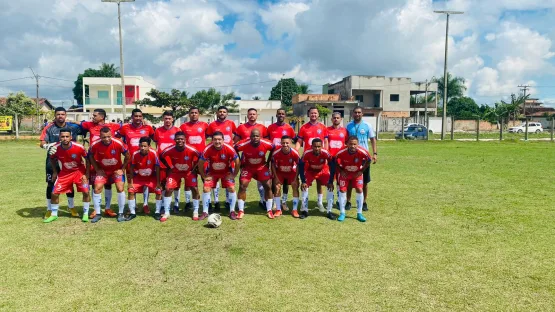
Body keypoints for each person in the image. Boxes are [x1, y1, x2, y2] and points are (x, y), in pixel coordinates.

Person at [39, 107, 81, 219]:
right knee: (51, 183)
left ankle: (71, 207)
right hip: (52, 160)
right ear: (55, 115)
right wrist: (47, 146)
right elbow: (42, 142)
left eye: (62, 114)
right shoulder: (49, 127)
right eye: (58, 114)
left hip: (69, 161)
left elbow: (86, 125)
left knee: (69, 183)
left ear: (66, 115)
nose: (60, 116)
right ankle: (49, 209)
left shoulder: (73, 127)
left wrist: (73, 121)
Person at [45, 128, 91, 223]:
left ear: (71, 137)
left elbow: (88, 159)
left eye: (67, 136)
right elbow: (52, 159)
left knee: (86, 192)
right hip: (65, 173)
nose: (65, 138)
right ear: (59, 138)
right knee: (54, 193)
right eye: (62, 137)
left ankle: (85, 213)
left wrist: (86, 174)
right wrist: (55, 172)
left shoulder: (79, 147)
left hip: (79, 172)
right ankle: (54, 214)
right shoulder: (56, 148)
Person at [81, 109, 122, 215]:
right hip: (94, 160)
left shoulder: (112, 126)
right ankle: (96, 208)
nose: (92, 117)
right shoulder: (89, 125)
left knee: (108, 184)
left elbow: (124, 128)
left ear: (102, 117)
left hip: (108, 159)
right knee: (95, 184)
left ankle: (107, 208)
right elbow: (78, 123)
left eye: (95, 115)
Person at [88, 127, 130, 223]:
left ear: (111, 135)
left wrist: (122, 169)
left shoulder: (118, 143)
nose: (106, 139)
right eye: (104, 137)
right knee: (97, 188)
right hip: (103, 171)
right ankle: (98, 214)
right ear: (100, 136)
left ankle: (120, 213)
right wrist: (97, 169)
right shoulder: (95, 144)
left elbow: (128, 155)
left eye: (108, 137)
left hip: (116, 171)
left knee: (120, 188)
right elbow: (90, 155)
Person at [159, 132, 201, 222]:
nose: (180, 141)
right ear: (174, 140)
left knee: (195, 189)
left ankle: (196, 211)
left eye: (182, 139)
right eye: (178, 139)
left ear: (185, 140)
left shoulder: (191, 149)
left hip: (188, 172)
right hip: (175, 172)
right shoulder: (169, 149)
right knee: (168, 189)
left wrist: (195, 167)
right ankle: (166, 212)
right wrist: (169, 167)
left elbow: (200, 157)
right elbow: (161, 156)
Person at [119, 109, 155, 214]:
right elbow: (117, 137)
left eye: (140, 116)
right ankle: (133, 205)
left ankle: (145, 204)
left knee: (145, 182)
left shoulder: (148, 128)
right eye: (136, 116)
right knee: (132, 182)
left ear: (142, 117)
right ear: (132, 117)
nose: (138, 118)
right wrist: (124, 147)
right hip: (131, 160)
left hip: (145, 160)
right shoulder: (125, 128)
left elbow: (154, 138)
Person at [198, 131, 240, 220]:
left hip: (226, 172)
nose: (217, 142)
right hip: (212, 172)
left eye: (219, 139)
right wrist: (204, 176)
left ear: (223, 140)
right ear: (212, 140)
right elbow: (200, 163)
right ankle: (205, 211)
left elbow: (237, 162)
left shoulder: (229, 148)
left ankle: (232, 211)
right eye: (215, 140)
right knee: (206, 188)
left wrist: (234, 174)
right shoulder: (207, 149)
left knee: (232, 188)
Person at [234, 108, 269, 210]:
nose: (252, 116)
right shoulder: (241, 127)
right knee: (244, 183)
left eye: (254, 114)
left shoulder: (262, 128)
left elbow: (267, 143)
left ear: (257, 116)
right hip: (246, 160)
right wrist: (239, 160)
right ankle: (242, 203)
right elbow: (235, 144)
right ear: (247, 115)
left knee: (261, 182)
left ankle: (262, 200)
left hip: (260, 160)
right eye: (250, 114)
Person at [235, 129, 274, 219]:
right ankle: (241, 210)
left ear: (260, 137)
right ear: (250, 137)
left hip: (261, 167)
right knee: (242, 186)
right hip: (248, 168)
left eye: (257, 136)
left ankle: (269, 210)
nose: (255, 138)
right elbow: (235, 148)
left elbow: (273, 148)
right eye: (253, 136)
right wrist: (240, 161)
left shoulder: (266, 143)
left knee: (268, 186)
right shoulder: (244, 144)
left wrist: (268, 162)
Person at [331, 136, 371, 222]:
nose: (352, 146)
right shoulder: (341, 152)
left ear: (357, 144)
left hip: (357, 173)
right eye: (350, 144)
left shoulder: (362, 151)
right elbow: (334, 160)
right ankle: (342, 213)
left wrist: (361, 170)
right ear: (347, 144)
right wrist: (341, 170)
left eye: (354, 144)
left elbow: (369, 160)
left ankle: (359, 213)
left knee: (359, 189)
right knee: (342, 190)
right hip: (345, 174)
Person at [345, 106, 377, 211]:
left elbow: (373, 139)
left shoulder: (367, 125)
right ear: (352, 114)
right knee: (349, 180)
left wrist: (375, 153)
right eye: (355, 112)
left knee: (364, 182)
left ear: (362, 114)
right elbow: (345, 141)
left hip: (364, 158)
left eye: (359, 112)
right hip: (351, 157)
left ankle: (364, 202)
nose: (357, 114)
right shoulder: (348, 126)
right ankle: (348, 201)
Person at [206, 106, 237, 212]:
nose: (222, 113)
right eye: (220, 112)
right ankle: (216, 201)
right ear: (217, 113)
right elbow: (208, 137)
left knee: (228, 178)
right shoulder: (212, 125)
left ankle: (228, 202)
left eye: (224, 112)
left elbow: (237, 135)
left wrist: (233, 145)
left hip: (228, 155)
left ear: (227, 114)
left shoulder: (231, 123)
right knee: (215, 177)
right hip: (215, 154)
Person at [179, 107, 209, 212]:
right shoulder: (183, 126)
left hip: (202, 158)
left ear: (199, 114)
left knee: (205, 178)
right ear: (189, 114)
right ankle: (188, 202)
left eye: (196, 113)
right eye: (192, 113)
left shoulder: (205, 125)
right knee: (188, 181)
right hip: (188, 158)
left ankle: (207, 202)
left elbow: (211, 137)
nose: (194, 114)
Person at [267, 108, 296, 210]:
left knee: (286, 181)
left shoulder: (289, 128)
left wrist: (294, 152)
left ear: (285, 115)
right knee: (275, 180)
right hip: (274, 158)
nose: (281, 115)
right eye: (279, 114)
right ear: (276, 115)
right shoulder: (270, 128)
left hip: (287, 158)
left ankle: (284, 202)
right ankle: (276, 202)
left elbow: (295, 140)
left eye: (283, 114)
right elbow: (267, 142)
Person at [128, 137, 162, 221]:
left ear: (149, 146)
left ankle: (157, 212)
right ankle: (132, 213)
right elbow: (131, 169)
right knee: (131, 191)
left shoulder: (154, 153)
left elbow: (157, 168)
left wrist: (158, 182)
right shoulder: (135, 154)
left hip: (151, 178)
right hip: (139, 178)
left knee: (158, 191)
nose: (142, 148)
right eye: (141, 146)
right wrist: (131, 182)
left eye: (145, 146)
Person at [153, 110, 181, 213]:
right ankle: (164, 205)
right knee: (163, 183)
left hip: (174, 162)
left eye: (169, 118)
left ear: (173, 119)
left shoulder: (177, 130)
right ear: (163, 119)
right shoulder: (158, 131)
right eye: (165, 118)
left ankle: (176, 204)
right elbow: (157, 145)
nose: (167, 120)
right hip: (162, 162)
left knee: (176, 184)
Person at [298, 138, 333, 219]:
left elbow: (332, 164)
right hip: (310, 171)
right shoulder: (307, 153)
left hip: (323, 170)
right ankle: (304, 210)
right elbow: (301, 165)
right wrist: (303, 180)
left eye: (319, 146)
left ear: (322, 146)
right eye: (315, 146)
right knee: (304, 187)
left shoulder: (325, 152)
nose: (317, 148)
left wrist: (330, 180)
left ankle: (329, 211)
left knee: (330, 187)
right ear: (312, 146)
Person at [271, 135, 301, 217]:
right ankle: (278, 209)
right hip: (280, 172)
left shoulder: (295, 152)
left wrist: (295, 178)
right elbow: (272, 165)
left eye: (287, 143)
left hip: (291, 172)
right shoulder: (276, 152)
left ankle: (294, 210)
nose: (285, 145)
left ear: (291, 143)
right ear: (281, 143)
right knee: (277, 187)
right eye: (283, 143)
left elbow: (299, 165)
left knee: (295, 186)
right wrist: (276, 178)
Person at [327, 112, 348, 209]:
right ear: (331, 119)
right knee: (330, 180)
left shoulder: (345, 131)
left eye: (338, 118)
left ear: (341, 119)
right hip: (330, 159)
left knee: (340, 181)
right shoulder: (327, 130)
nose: (336, 119)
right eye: (334, 118)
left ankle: (340, 201)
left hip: (341, 160)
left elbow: (347, 144)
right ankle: (329, 202)